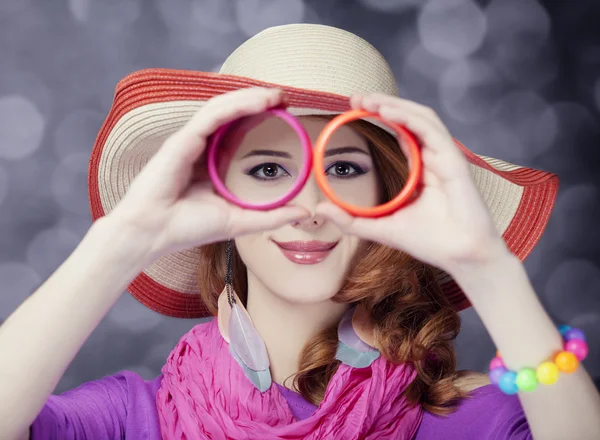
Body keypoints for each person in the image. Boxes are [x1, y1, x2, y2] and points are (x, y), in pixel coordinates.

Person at [1, 23, 599, 440]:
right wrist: (127, 236)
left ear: (390, 194)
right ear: (215, 194)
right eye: (267, 170)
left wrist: (485, 264)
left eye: (343, 169)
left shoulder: (472, 420)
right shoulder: (130, 419)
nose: (309, 205)